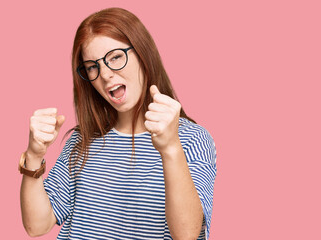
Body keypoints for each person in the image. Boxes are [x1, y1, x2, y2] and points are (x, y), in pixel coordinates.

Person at [19, 7, 217, 240]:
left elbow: (187, 235)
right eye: (92, 66)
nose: (104, 74)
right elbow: (37, 225)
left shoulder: (193, 139)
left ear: (144, 54)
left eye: (115, 57)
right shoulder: (81, 139)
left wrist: (171, 148)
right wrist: (33, 155)